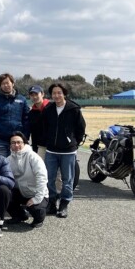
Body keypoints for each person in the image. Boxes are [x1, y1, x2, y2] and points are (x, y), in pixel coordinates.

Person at [42, 83, 86, 218]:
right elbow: (44, 126)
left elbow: (81, 128)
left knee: (67, 179)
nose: (56, 95)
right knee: (49, 178)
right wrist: (48, 140)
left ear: (64, 94)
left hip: (68, 151)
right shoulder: (48, 109)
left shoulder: (74, 109)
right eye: (54, 93)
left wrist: (73, 142)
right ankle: (51, 202)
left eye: (59, 93)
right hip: (51, 150)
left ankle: (64, 204)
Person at [6, 131, 49, 229]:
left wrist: (37, 198)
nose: (16, 145)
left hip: (36, 193)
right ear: (10, 145)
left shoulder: (33, 157)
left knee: (37, 210)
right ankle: (19, 216)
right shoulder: (8, 160)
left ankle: (39, 219)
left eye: (19, 142)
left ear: (24, 143)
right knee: (4, 193)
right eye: (13, 143)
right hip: (21, 192)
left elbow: (42, 178)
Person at [0, 72, 30, 157]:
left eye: (7, 83)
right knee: (0, 163)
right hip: (0, 140)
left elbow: (26, 119)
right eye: (3, 83)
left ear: (13, 83)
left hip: (17, 140)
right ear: (0, 85)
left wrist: (25, 137)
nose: (6, 85)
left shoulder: (22, 99)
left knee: (17, 163)